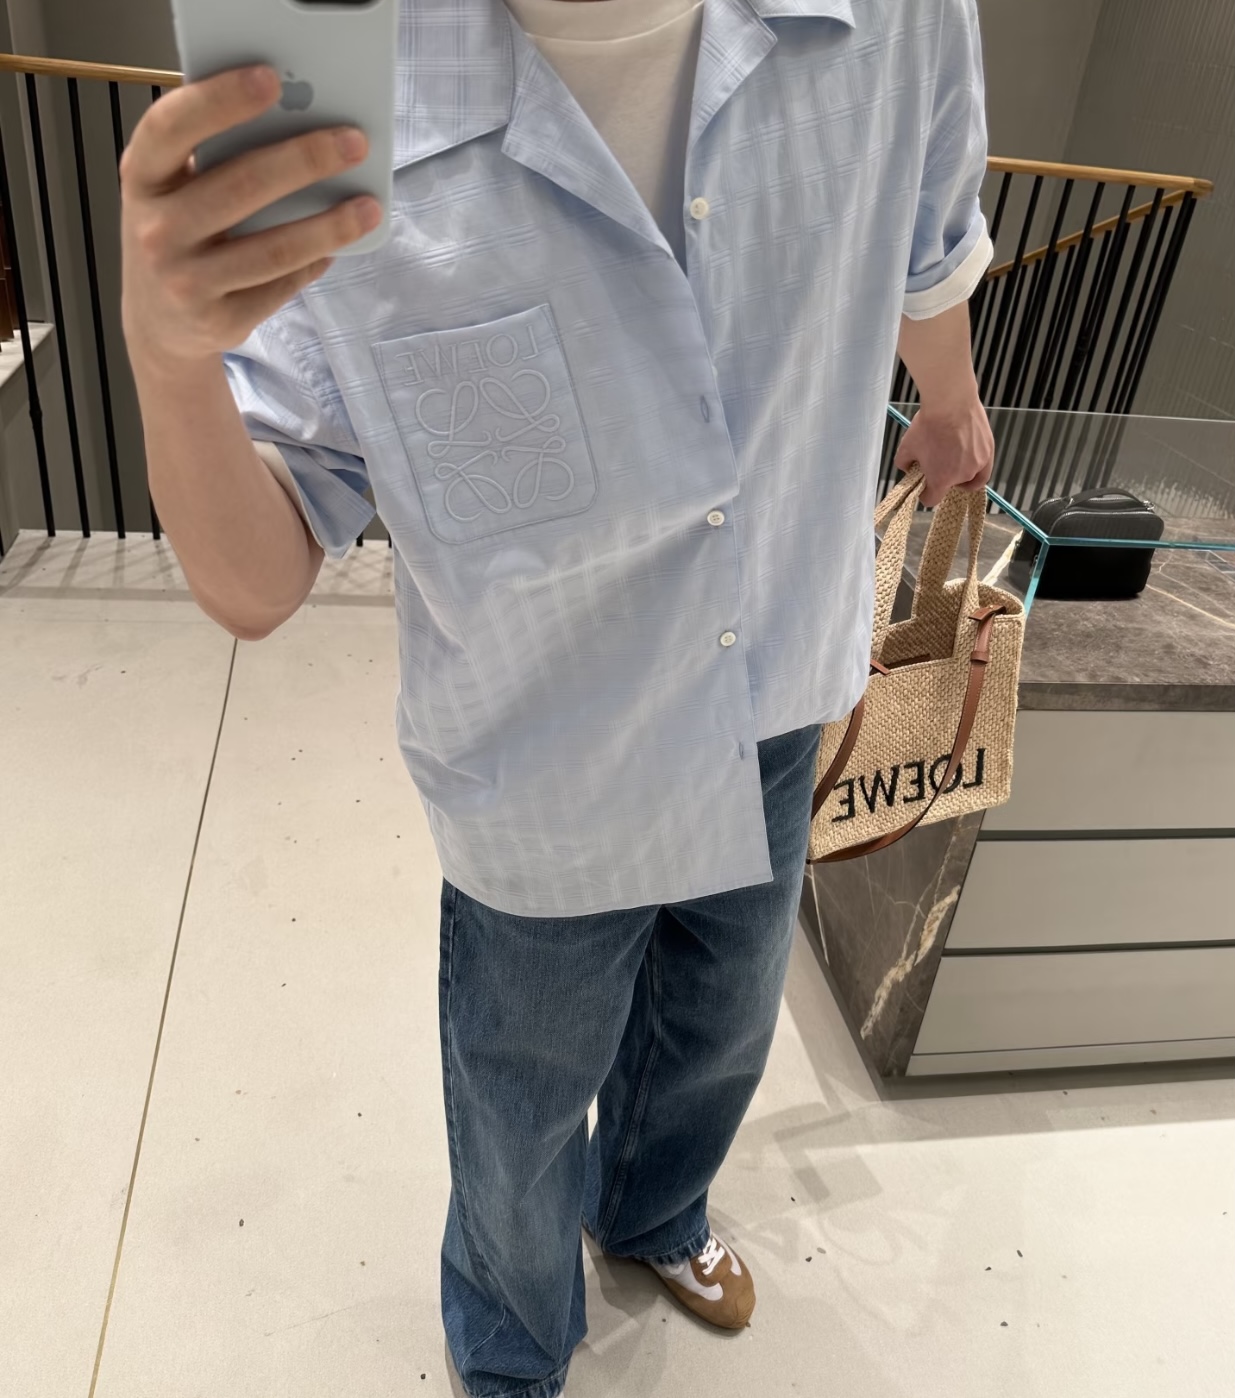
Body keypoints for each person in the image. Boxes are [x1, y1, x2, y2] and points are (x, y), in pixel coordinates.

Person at [120, 0, 995, 1392]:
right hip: (543, 749)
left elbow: (928, 232)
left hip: (774, 654)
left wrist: (947, 400)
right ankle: (514, 1341)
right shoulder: (329, 52)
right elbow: (260, 569)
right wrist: (171, 364)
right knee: (521, 1089)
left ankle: (652, 1208)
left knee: (725, 1014)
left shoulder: (893, 12)